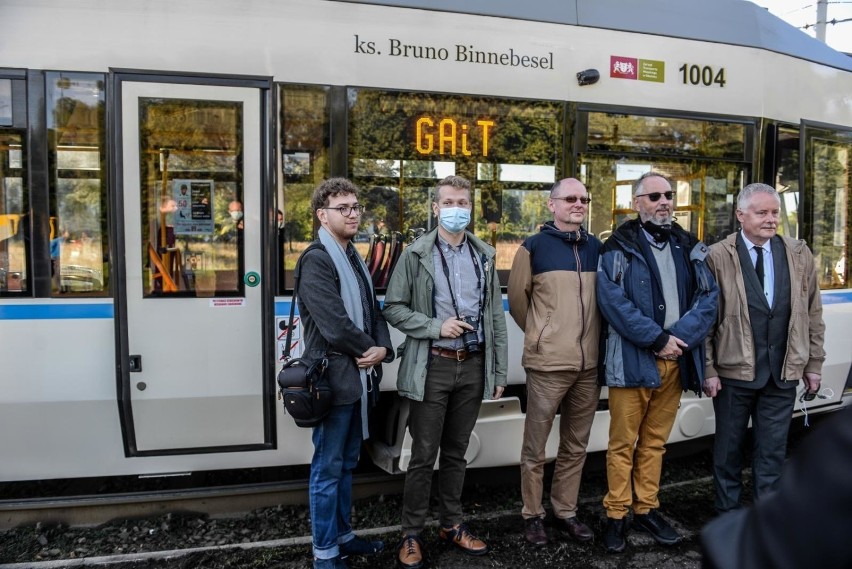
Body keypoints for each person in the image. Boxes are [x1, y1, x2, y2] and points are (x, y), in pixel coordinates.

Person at [383, 175, 508, 569]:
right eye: (449, 202)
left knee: (457, 453)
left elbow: (495, 319)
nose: (458, 209)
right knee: (422, 455)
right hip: (432, 364)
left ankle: (451, 525)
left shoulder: (483, 255)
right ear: (436, 208)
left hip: (471, 366)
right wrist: (438, 326)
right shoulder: (416, 254)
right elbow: (394, 307)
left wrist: (498, 370)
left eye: (464, 202)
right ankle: (411, 533)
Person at [596, 171, 718, 553]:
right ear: (637, 203)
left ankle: (646, 508)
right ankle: (616, 514)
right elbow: (612, 301)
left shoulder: (689, 245)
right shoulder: (616, 246)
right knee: (621, 444)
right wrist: (658, 339)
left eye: (668, 195)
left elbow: (709, 298)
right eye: (654, 196)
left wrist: (678, 340)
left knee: (654, 444)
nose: (664, 201)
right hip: (633, 361)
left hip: (675, 361)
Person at [703, 183, 825, 514]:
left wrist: (813, 364)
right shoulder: (717, 256)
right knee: (727, 451)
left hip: (782, 372)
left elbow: (812, 312)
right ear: (741, 215)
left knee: (772, 452)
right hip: (733, 373)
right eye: (762, 213)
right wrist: (708, 368)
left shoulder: (799, 253)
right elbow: (705, 320)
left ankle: (765, 522)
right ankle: (726, 519)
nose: (772, 220)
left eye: (774, 212)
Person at [297, 178, 394, 569]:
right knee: (327, 468)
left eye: (356, 207)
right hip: (333, 380)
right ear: (323, 215)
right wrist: (368, 348)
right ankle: (325, 554)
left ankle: (343, 537)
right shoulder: (317, 259)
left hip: (356, 381)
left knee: (346, 464)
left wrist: (383, 347)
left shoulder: (353, 256)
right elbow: (335, 325)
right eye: (345, 208)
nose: (354, 214)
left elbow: (375, 310)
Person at [507, 178, 602, 546]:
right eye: (570, 198)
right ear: (552, 205)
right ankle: (532, 516)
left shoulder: (597, 247)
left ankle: (566, 511)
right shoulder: (531, 248)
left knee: (576, 446)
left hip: (589, 365)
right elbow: (519, 303)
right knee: (536, 448)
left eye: (583, 198)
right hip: (547, 365)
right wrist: (541, 335)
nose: (578, 204)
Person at [701, 408, 852, 569]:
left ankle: (763, 521)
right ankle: (732, 513)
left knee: (771, 457)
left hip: (782, 386)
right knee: (728, 450)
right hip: (737, 385)